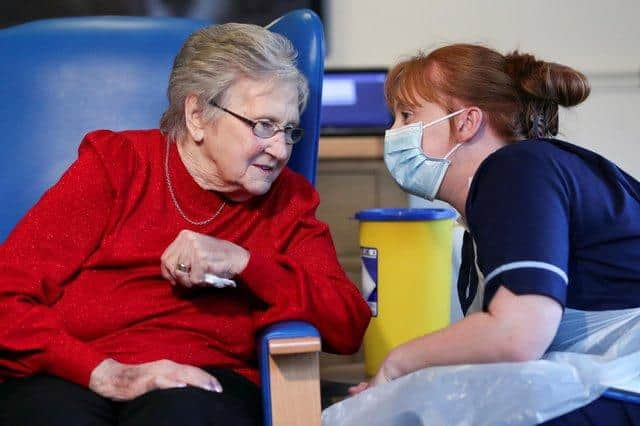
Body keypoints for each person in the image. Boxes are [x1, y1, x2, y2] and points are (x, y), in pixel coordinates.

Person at [0, 22, 371, 426]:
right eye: (263, 126)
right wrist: (103, 371)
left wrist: (245, 262)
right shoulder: (117, 164)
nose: (280, 150)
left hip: (203, 385)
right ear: (197, 115)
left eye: (289, 130)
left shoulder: (288, 200)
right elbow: (7, 296)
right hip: (77, 372)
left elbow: (347, 323)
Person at [349, 44, 640, 424]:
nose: (393, 133)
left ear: (466, 122)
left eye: (407, 115)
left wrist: (397, 365)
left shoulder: (515, 169)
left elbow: (517, 333)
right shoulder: (526, 175)